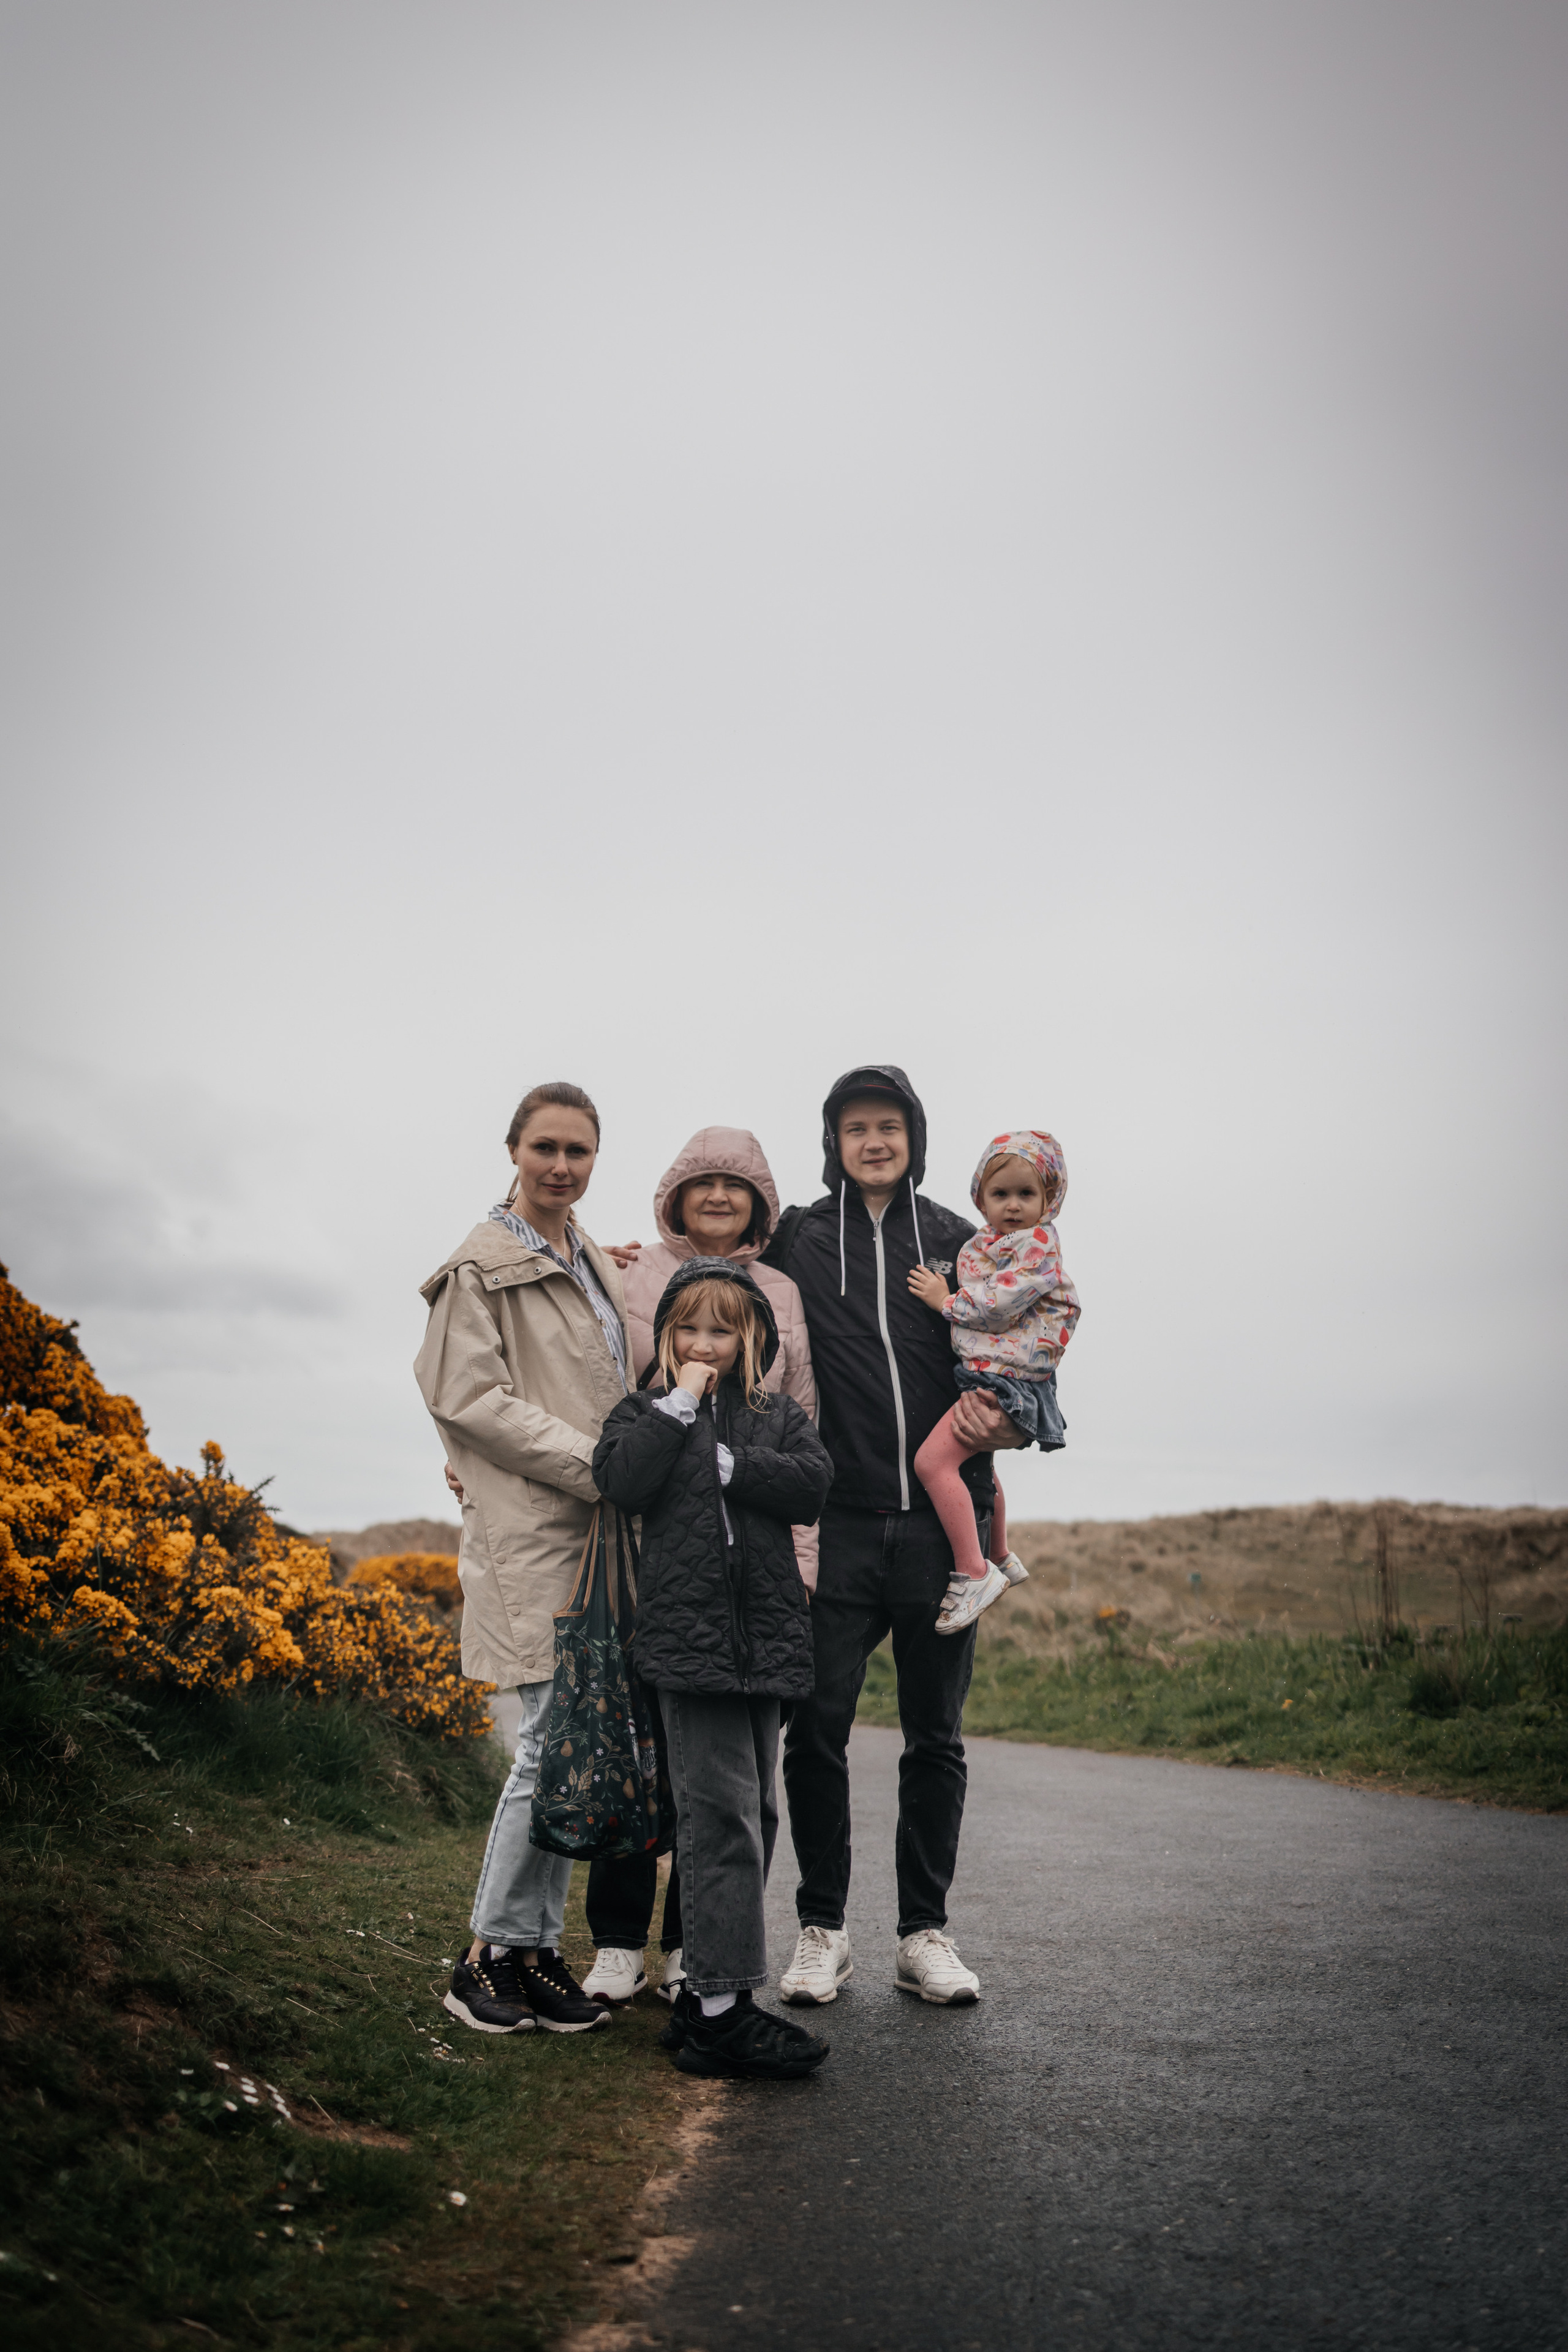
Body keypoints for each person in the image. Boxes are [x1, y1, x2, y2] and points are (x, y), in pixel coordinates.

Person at [762, 1065, 1030, 2009]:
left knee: (936, 1736)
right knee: (814, 1731)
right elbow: (710, 1265)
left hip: (939, 1534)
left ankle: (924, 1934)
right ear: (833, 1143)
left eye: (889, 1126)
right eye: (856, 1128)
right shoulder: (800, 1235)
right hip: (834, 1522)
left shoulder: (960, 1239)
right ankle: (822, 1930)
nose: (873, 1142)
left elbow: (1027, 1331)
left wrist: (1016, 1421)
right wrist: (624, 1260)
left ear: (913, 1138)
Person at [582, 1126, 818, 2008]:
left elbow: (811, 1464)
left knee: (742, 1802)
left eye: (737, 1183)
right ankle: (622, 1945)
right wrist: (677, 1404)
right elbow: (619, 1462)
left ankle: (702, 1956)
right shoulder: (635, 1303)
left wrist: (751, 1487)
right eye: (702, 1182)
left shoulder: (777, 1382)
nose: (706, 1343)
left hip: (760, 1610)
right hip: (667, 1603)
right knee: (650, 1774)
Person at [413, 1080, 627, 2037]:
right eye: (546, 1147)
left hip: (594, 1534)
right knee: (545, 1743)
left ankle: (534, 1956)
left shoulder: (587, 1257)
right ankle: (485, 1956)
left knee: (570, 1747)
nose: (562, 1166)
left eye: (579, 1151)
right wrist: (599, 1465)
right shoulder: (478, 1268)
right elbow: (467, 1398)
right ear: (513, 1150)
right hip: (533, 1531)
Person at [909, 1129, 1080, 1634]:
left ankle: (974, 1571)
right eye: (1000, 1193)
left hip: (1008, 1381)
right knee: (977, 1465)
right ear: (980, 1197)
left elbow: (1000, 1302)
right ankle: (1001, 1553)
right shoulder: (993, 1244)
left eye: (1027, 1194)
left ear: (1049, 1200)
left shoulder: (1036, 1247)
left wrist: (945, 1300)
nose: (1013, 1205)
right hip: (995, 1375)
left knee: (932, 1463)